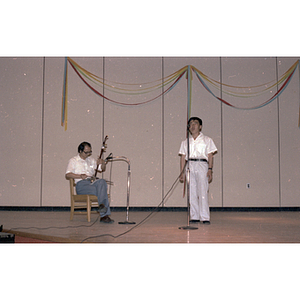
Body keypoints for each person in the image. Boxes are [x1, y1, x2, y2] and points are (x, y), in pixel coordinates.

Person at [179, 117, 217, 224]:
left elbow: (210, 155)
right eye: (190, 124)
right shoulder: (186, 142)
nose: (193, 125)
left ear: (200, 126)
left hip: (202, 164)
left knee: (203, 191)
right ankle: (194, 216)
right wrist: (182, 172)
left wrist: (210, 169)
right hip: (190, 165)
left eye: (195, 123)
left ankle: (204, 217)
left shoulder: (207, 140)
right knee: (192, 192)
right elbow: (183, 157)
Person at [65, 141, 114, 223]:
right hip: (82, 185)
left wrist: (103, 163)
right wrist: (80, 176)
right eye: (86, 152)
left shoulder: (91, 160)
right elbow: (68, 175)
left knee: (102, 181)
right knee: (102, 191)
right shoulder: (73, 160)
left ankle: (102, 210)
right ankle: (104, 215)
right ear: (80, 151)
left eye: (90, 152)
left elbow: (102, 169)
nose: (88, 154)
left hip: (92, 183)